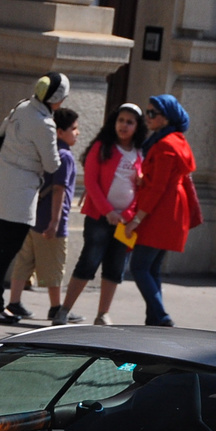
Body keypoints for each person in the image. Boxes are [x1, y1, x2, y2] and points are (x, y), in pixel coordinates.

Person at [0, 71, 69, 325]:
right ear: (57, 98)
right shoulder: (45, 123)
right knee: (5, 253)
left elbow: (1, 134)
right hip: (19, 193)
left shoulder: (23, 106)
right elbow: (51, 164)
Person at [55, 103, 144, 326]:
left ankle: (103, 314)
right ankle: (64, 311)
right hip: (98, 217)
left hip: (126, 222)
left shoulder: (141, 153)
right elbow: (91, 183)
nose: (124, 126)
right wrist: (108, 212)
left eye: (129, 122)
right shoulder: (102, 147)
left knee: (115, 268)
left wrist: (128, 214)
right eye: (120, 120)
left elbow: (142, 189)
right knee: (89, 261)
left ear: (137, 126)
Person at [6, 107, 81, 325]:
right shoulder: (65, 156)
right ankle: (56, 307)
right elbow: (59, 189)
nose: (77, 133)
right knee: (54, 265)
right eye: (74, 129)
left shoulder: (46, 150)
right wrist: (55, 222)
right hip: (51, 219)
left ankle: (14, 301)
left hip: (33, 215)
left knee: (24, 261)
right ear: (59, 132)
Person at [125, 94, 195, 327]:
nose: (147, 117)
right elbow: (160, 180)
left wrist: (137, 218)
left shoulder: (165, 144)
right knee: (152, 268)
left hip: (161, 211)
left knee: (139, 266)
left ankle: (161, 317)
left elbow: (159, 187)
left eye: (152, 113)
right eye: (147, 112)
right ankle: (154, 319)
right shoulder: (175, 140)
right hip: (170, 210)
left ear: (166, 118)